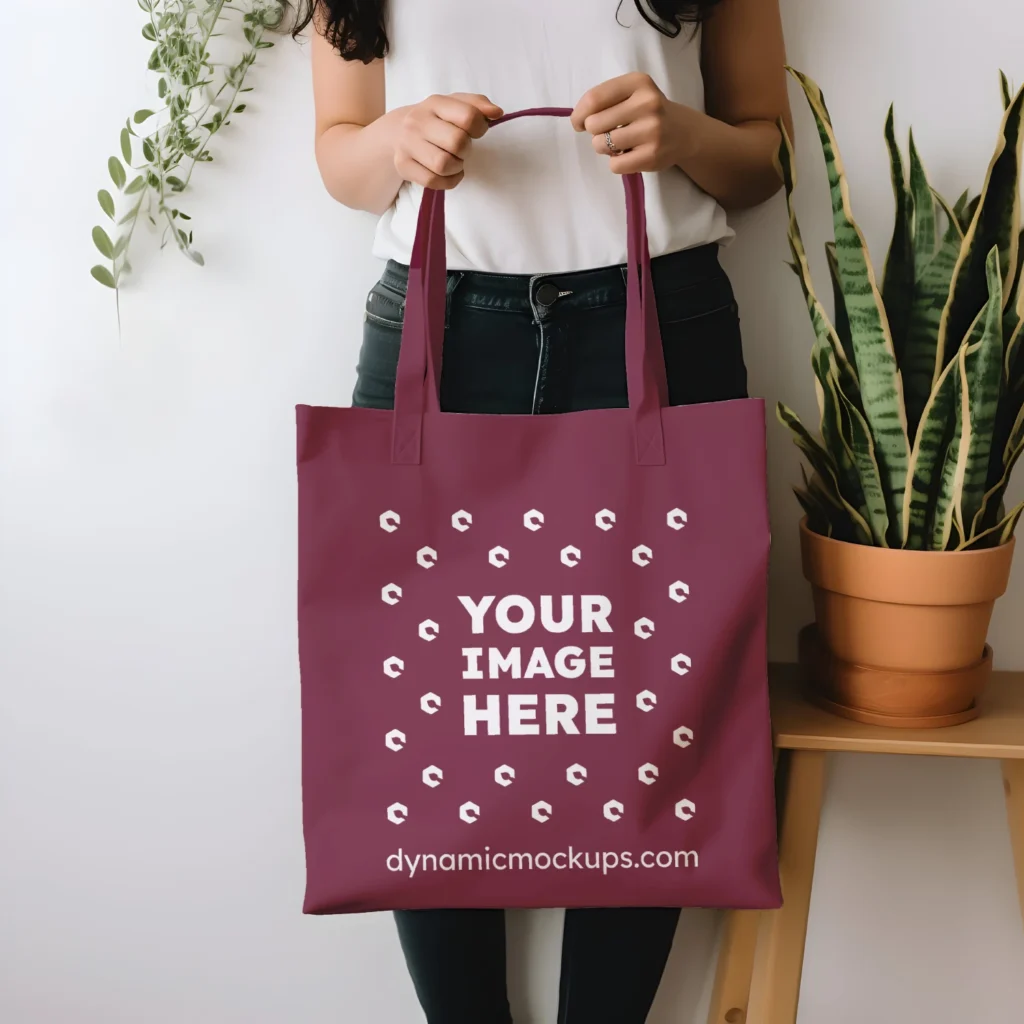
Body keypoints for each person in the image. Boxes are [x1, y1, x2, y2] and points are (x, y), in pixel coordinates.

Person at [296, 1, 790, 1020]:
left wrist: (682, 134)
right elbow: (339, 156)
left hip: (663, 311)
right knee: (425, 708)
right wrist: (397, 140)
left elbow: (762, 150)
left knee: (656, 702)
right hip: (440, 322)